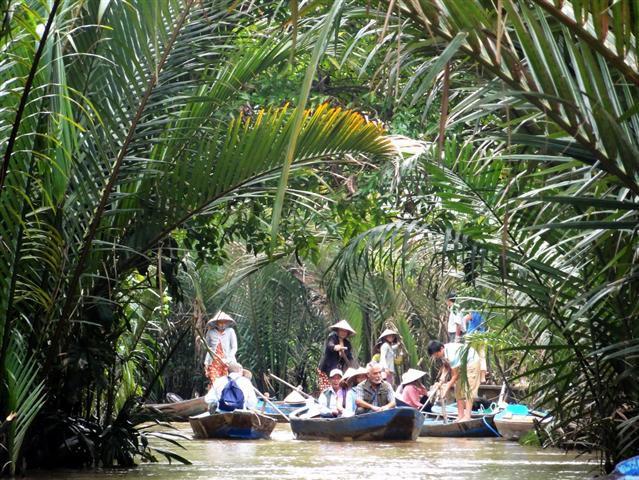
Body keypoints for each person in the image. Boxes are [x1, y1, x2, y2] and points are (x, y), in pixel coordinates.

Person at [427, 340, 480, 422]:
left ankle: (467, 417)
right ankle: (460, 415)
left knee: (468, 390)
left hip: (471, 362)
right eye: (435, 355)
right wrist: (441, 381)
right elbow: (446, 367)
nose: (437, 357)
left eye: (437, 354)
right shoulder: (443, 353)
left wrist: (446, 387)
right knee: (458, 390)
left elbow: (455, 376)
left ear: (441, 348)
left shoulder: (452, 355)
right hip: (461, 363)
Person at [317, 320, 356, 391]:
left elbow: (349, 357)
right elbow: (330, 345)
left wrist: (352, 368)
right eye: (341, 330)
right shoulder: (332, 337)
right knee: (326, 390)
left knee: (337, 389)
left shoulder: (347, 344)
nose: (343, 333)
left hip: (338, 371)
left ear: (347, 333)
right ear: (338, 330)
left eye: (345, 331)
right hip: (327, 368)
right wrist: (335, 347)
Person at [204, 311, 238, 386]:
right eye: (220, 322)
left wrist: (228, 359)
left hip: (227, 362)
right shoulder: (210, 332)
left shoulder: (230, 331)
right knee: (215, 383)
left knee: (226, 383)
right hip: (214, 362)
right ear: (216, 323)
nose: (222, 325)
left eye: (224, 322)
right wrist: (206, 362)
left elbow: (234, 348)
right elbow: (208, 348)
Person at [463, 311, 488, 382]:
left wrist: (464, 329)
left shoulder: (473, 312)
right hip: (482, 336)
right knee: (482, 356)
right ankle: (482, 377)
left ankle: (469, 375)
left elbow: (464, 319)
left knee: (469, 355)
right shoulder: (483, 313)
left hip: (472, 335)